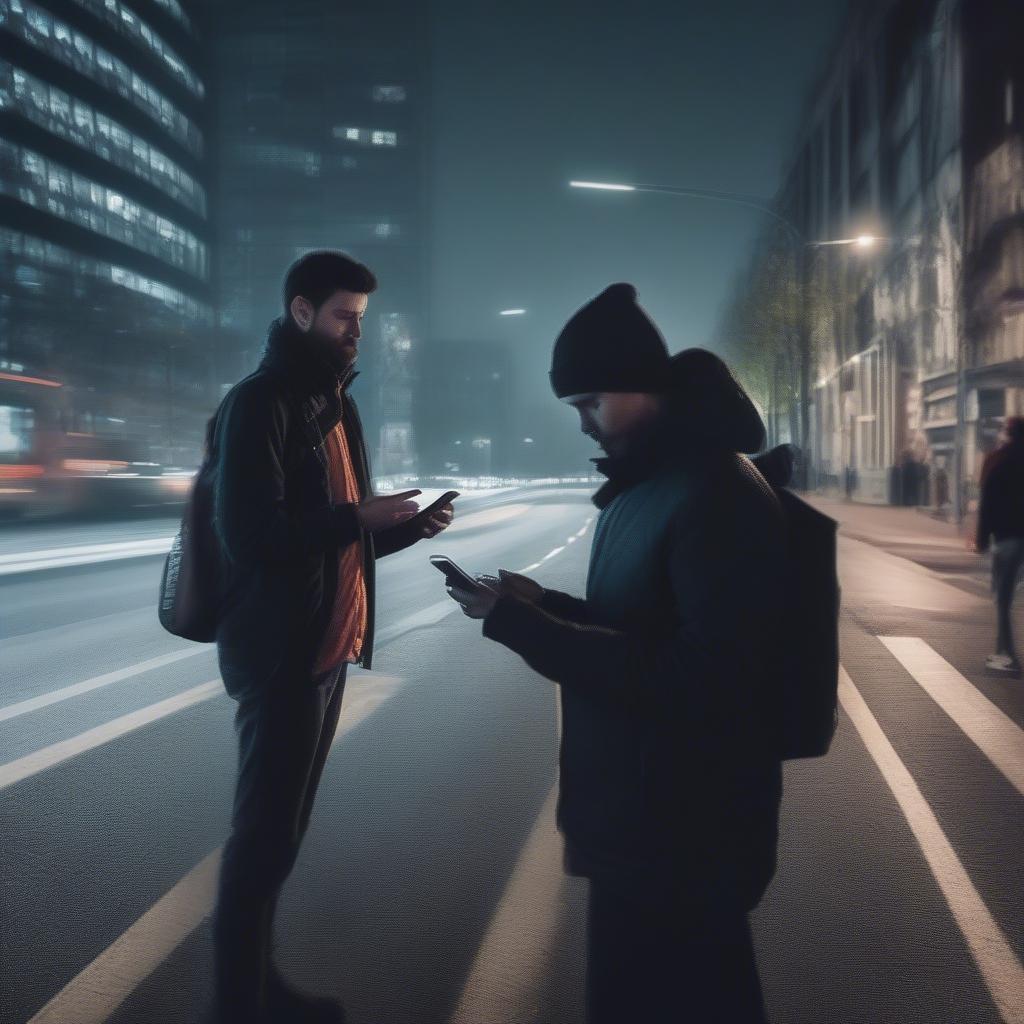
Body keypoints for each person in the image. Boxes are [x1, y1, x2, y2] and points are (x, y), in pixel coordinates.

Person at [446, 283, 787, 1023]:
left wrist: (526, 627)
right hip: (646, 821)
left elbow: (700, 678)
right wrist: (538, 604)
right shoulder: (653, 485)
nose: (584, 425)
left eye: (590, 402)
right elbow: (641, 627)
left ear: (641, 387)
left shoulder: (711, 493)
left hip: (684, 835)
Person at [210, 250, 454, 1023]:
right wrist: (358, 517)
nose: (358, 333)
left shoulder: (337, 407)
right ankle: (234, 1006)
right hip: (281, 655)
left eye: (362, 320)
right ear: (302, 311)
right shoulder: (260, 404)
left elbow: (335, 540)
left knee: (282, 837)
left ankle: (260, 987)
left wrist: (404, 531)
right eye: (346, 317)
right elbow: (250, 536)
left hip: (328, 648)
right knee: (261, 840)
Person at [975, 416, 1024, 676]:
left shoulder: (999, 461)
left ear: (1009, 433)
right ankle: (1000, 650)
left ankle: (1011, 657)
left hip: (1006, 539)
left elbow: (988, 502)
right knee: (1004, 597)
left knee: (1002, 599)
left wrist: (982, 539)